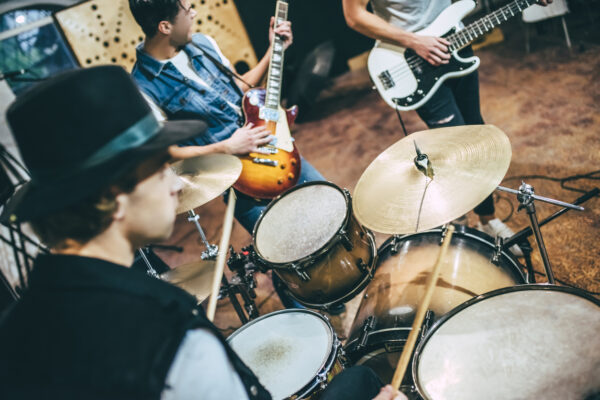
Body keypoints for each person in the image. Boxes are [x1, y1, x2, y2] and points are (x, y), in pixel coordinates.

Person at [0, 65, 404, 400]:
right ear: (114, 197)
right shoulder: (164, 329)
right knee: (364, 382)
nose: (177, 185)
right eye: (161, 169)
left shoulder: (17, 331)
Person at [128, 0, 336, 311]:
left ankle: (330, 294)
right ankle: (306, 318)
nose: (194, 13)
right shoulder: (142, 87)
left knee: (328, 211)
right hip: (238, 179)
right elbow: (166, 150)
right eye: (187, 10)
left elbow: (240, 88)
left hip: (275, 150)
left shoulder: (202, 43)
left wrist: (273, 51)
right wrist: (226, 147)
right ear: (165, 27)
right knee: (284, 252)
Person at [342, 0, 552, 255]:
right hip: (411, 59)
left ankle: (487, 220)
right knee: (455, 147)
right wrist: (414, 41)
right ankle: (458, 228)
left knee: (477, 135)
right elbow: (354, 16)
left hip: (455, 39)